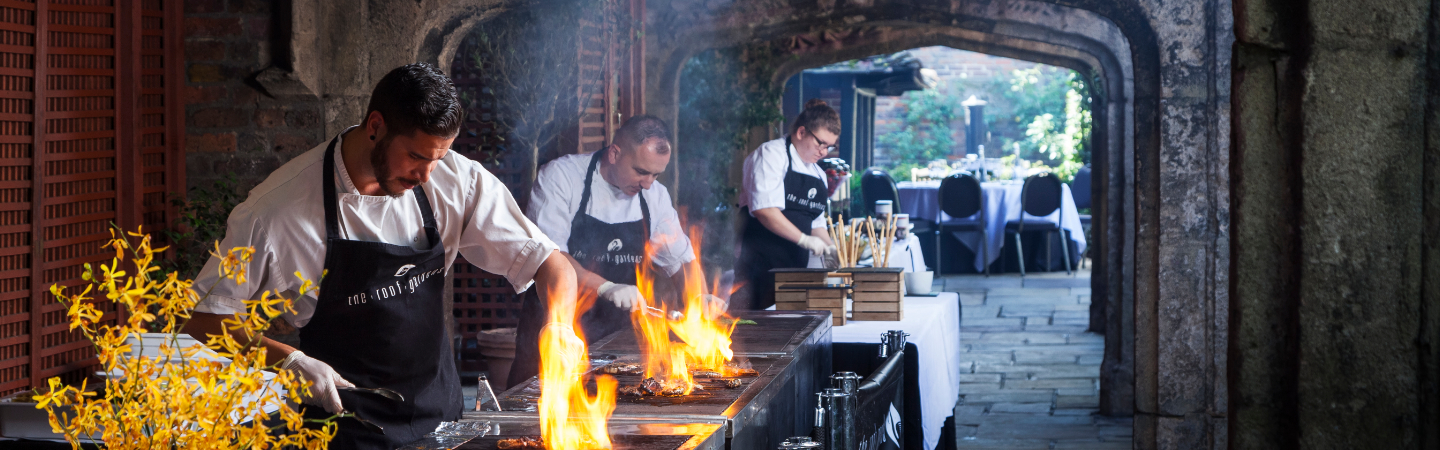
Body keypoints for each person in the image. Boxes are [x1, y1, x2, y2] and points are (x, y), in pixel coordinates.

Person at [184, 63, 579, 449]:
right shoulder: (276, 211)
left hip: (442, 424)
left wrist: (560, 326)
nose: (426, 174)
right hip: (345, 431)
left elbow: (550, 263)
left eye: (437, 158)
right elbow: (202, 318)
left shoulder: (455, 179)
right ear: (376, 127)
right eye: (416, 157)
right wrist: (288, 360)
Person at [510, 115, 723, 388]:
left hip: (619, 347)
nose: (648, 183)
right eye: (641, 171)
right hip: (558, 330)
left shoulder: (655, 195)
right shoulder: (562, 178)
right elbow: (550, 257)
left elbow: (681, 260)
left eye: (656, 174)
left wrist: (699, 299)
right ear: (614, 153)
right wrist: (606, 287)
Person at [737, 99, 841, 310]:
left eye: (829, 147)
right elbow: (764, 210)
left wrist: (832, 251)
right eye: (820, 143)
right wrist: (804, 239)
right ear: (801, 132)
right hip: (758, 265)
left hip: (795, 270)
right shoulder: (771, 155)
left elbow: (816, 222)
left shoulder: (818, 174)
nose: (823, 152)